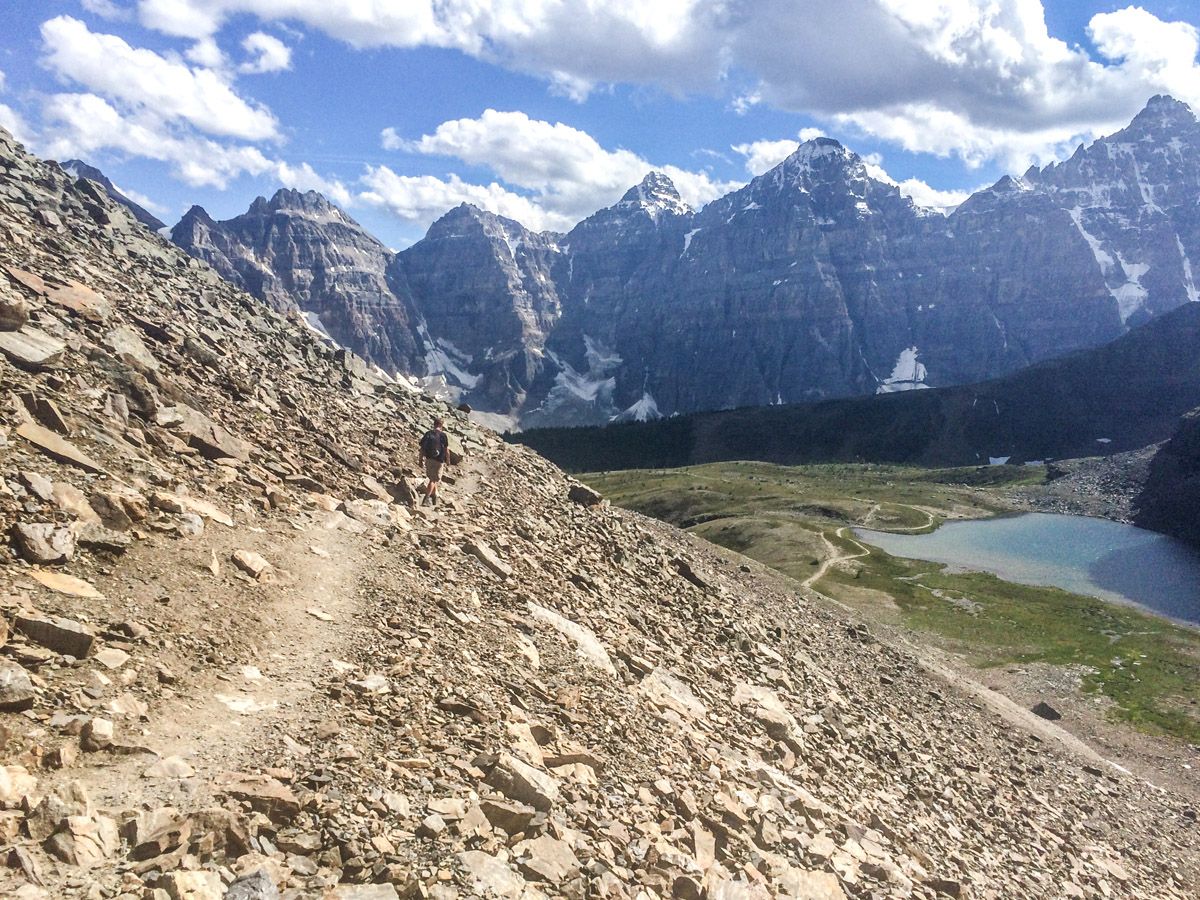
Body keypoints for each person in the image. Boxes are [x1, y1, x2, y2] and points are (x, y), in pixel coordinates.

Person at [418, 418, 450, 506]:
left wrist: (420, 460)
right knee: (433, 480)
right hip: (439, 460)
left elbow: (422, 449)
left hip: (429, 459)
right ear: (441, 425)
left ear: (434, 424)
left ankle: (435, 498)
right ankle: (426, 498)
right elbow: (446, 450)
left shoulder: (428, 434)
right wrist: (448, 460)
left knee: (433, 478)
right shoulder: (443, 435)